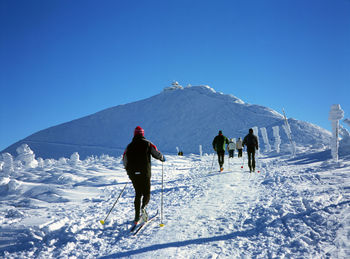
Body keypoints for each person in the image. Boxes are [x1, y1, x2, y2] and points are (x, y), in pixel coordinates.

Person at [123, 126, 165, 225]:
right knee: (146, 192)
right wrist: (162, 158)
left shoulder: (129, 146)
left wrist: (129, 171)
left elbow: (124, 160)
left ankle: (137, 216)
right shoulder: (148, 144)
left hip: (133, 173)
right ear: (142, 134)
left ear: (134, 134)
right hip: (145, 172)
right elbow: (156, 154)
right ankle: (144, 207)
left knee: (138, 193)